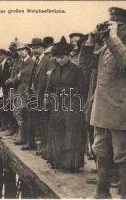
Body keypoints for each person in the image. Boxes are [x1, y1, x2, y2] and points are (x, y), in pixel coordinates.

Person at [79, 7, 126, 198]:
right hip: (103, 112)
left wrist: (113, 37)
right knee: (101, 153)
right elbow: (84, 65)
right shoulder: (107, 47)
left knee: (123, 156)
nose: (109, 30)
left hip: (122, 112)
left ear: (125, 28)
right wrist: (90, 42)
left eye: (114, 26)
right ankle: (102, 193)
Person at [46, 39, 86, 172]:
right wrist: (50, 96)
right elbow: (50, 88)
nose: (60, 60)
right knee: (57, 132)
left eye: (62, 57)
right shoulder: (55, 71)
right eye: (57, 58)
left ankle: (71, 164)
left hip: (72, 107)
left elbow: (82, 89)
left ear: (68, 55)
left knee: (71, 134)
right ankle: (56, 160)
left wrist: (65, 92)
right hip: (57, 107)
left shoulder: (77, 70)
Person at [27, 38, 56, 153]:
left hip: (43, 96)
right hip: (34, 96)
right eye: (33, 48)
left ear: (43, 48)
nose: (34, 50)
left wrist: (46, 96)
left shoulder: (47, 61)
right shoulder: (36, 61)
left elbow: (50, 79)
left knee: (44, 122)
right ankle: (40, 145)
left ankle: (45, 147)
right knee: (36, 122)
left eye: (37, 48)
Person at [6, 43, 34, 147]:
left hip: (28, 92)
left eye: (23, 49)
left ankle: (26, 138)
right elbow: (15, 79)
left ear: (27, 50)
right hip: (19, 91)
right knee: (18, 113)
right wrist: (15, 78)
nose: (21, 52)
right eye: (19, 50)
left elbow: (25, 76)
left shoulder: (31, 62)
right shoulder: (19, 63)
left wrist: (17, 77)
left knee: (25, 115)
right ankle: (22, 136)